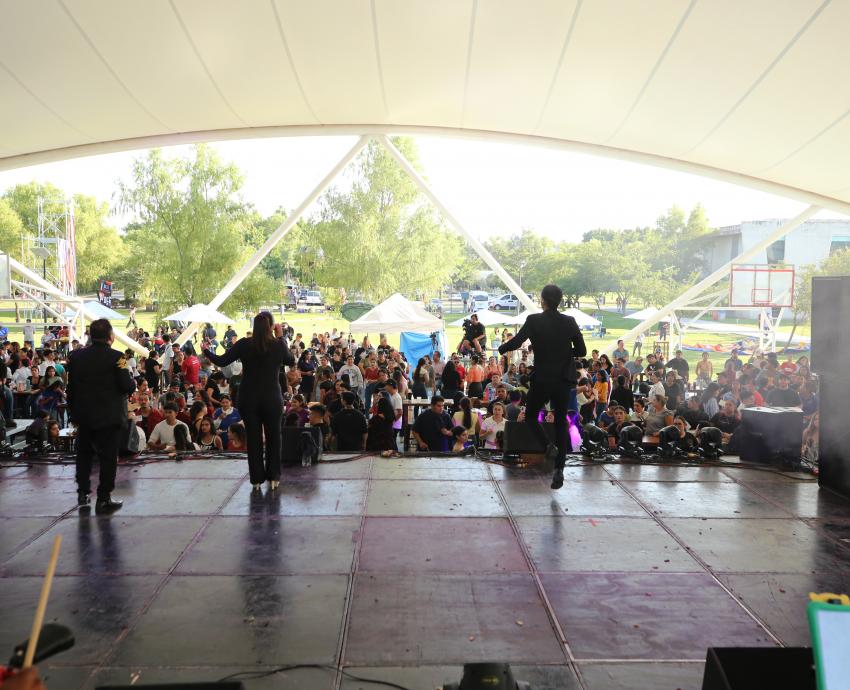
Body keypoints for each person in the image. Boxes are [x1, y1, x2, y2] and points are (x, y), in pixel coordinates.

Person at [499, 284, 587, 489]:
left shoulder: (534, 320)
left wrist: (502, 348)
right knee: (560, 422)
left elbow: (517, 341)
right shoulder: (569, 321)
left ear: (543, 301)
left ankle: (548, 446)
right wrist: (563, 352)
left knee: (530, 416)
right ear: (559, 300)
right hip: (563, 379)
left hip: (542, 378)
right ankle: (559, 471)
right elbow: (581, 350)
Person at [204, 312, 295, 491]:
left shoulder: (244, 344)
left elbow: (222, 360)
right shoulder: (278, 345)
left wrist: (206, 350)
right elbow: (290, 360)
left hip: (248, 397)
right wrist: (281, 337)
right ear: (272, 326)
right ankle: (274, 477)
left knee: (253, 439)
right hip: (271, 397)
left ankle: (256, 480)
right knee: (274, 437)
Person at [67, 318, 136, 514]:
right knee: (108, 458)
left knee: (84, 455)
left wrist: (74, 412)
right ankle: (104, 498)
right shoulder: (119, 357)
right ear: (110, 336)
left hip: (84, 416)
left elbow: (70, 388)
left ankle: (83, 494)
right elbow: (127, 385)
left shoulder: (76, 357)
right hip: (109, 417)